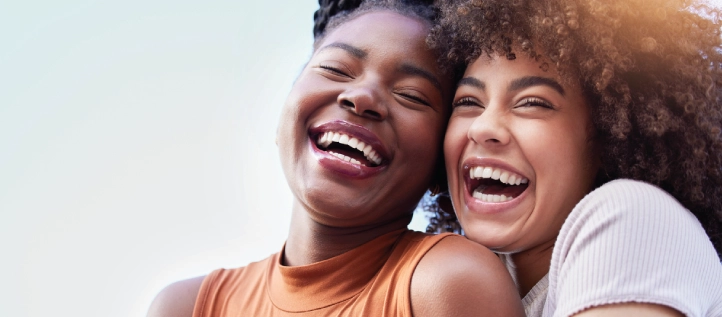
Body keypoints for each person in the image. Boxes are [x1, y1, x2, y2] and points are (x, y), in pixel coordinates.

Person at [146, 1, 524, 316]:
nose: (362, 97)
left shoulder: (447, 283)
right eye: (335, 69)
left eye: (411, 94)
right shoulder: (188, 306)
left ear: (439, 168)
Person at [426, 0, 722, 316]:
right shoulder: (464, 277)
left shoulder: (635, 218)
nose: (483, 127)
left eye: (532, 103)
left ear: (610, 137)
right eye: (469, 101)